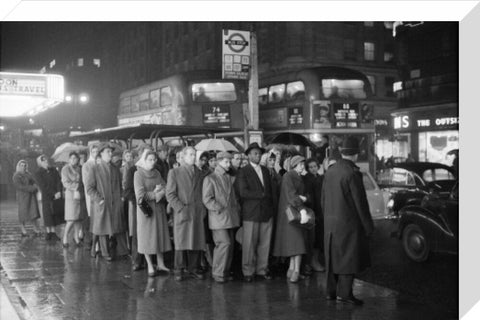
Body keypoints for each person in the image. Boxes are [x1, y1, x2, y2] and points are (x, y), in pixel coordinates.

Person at [322, 136, 374, 306]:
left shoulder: (330, 171)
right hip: (348, 223)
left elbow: (323, 199)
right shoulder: (352, 173)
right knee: (347, 259)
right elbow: (360, 203)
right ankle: (344, 294)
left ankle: (330, 292)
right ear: (356, 155)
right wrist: (368, 226)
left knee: (332, 257)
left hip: (330, 223)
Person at [235, 142, 275, 282]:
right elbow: (242, 192)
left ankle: (261, 269)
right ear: (248, 155)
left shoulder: (265, 170)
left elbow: (271, 191)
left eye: (259, 153)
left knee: (265, 243)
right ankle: (248, 271)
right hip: (251, 213)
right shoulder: (243, 171)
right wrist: (261, 194)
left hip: (266, 212)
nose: (258, 155)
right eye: (255, 153)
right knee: (249, 244)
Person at [166, 146, 207, 281]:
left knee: (196, 239)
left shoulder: (201, 173)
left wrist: (203, 209)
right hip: (183, 211)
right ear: (182, 157)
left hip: (197, 211)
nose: (193, 157)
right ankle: (178, 268)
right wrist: (180, 209)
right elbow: (170, 194)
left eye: (194, 154)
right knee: (180, 241)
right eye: (190, 154)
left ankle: (194, 268)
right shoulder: (174, 172)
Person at [86, 143, 129, 261]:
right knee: (102, 228)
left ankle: (123, 251)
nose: (111, 154)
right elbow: (89, 188)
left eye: (111, 151)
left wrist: (121, 197)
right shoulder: (94, 168)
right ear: (101, 154)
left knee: (118, 226)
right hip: (102, 203)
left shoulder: (115, 168)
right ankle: (104, 253)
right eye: (108, 152)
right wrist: (99, 200)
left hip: (115, 203)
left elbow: (120, 186)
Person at [202, 152, 241, 283]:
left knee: (228, 246)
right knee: (224, 244)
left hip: (229, 217)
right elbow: (207, 199)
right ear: (218, 162)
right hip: (219, 218)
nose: (229, 164)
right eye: (226, 162)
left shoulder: (228, 177)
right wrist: (219, 208)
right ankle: (218, 273)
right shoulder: (210, 178)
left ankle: (223, 272)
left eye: (229, 162)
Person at [134, 150, 172, 277]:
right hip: (146, 210)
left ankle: (160, 264)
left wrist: (162, 192)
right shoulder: (138, 174)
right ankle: (150, 265)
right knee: (147, 238)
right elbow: (140, 195)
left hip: (159, 209)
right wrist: (156, 194)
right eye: (150, 159)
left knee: (159, 236)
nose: (153, 162)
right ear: (144, 160)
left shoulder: (157, 172)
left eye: (154, 160)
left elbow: (165, 186)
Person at [273, 155, 310, 283]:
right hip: (294, 212)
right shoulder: (290, 176)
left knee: (294, 243)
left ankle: (291, 270)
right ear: (294, 165)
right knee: (298, 243)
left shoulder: (290, 176)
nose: (302, 166)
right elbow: (292, 196)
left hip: (289, 214)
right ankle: (296, 271)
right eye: (300, 164)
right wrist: (302, 208)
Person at [124, 144, 152, 271]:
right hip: (138, 205)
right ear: (140, 155)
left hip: (152, 205)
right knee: (137, 233)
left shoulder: (154, 169)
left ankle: (150, 261)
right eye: (146, 154)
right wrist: (138, 201)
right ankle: (137, 260)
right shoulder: (132, 170)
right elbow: (127, 191)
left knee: (150, 233)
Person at [302, 158, 326, 273]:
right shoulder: (307, 179)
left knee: (319, 238)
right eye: (310, 167)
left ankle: (314, 261)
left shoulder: (320, 178)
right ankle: (311, 262)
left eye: (314, 166)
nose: (313, 169)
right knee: (314, 239)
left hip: (321, 211)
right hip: (313, 212)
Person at [34, 154, 64, 241]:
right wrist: (53, 194)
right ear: (40, 163)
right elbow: (43, 186)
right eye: (43, 161)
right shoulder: (38, 173)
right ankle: (48, 232)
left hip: (56, 196)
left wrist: (58, 191)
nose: (46, 162)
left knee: (54, 214)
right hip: (47, 196)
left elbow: (59, 181)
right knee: (47, 214)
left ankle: (53, 232)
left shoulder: (53, 170)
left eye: (46, 160)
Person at [61, 152, 87, 247]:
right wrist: (76, 186)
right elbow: (65, 182)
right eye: (71, 158)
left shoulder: (80, 168)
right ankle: (65, 237)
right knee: (71, 218)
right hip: (71, 195)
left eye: (75, 158)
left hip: (80, 194)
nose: (73, 160)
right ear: (69, 159)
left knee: (78, 218)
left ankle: (76, 238)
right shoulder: (65, 169)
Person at [12, 160, 41, 236]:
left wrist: (35, 185)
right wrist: (31, 188)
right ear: (18, 166)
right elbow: (19, 186)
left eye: (25, 165)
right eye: (21, 165)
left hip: (31, 197)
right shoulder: (16, 176)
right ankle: (23, 229)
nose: (23, 167)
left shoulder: (28, 174)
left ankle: (35, 228)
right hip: (22, 197)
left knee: (33, 212)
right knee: (23, 213)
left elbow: (33, 181)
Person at [82, 144, 99, 251]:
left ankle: (98, 243)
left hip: (100, 193)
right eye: (94, 151)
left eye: (97, 151)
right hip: (91, 194)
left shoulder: (101, 163)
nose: (96, 153)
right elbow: (86, 181)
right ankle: (91, 241)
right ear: (90, 152)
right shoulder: (87, 165)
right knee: (91, 218)